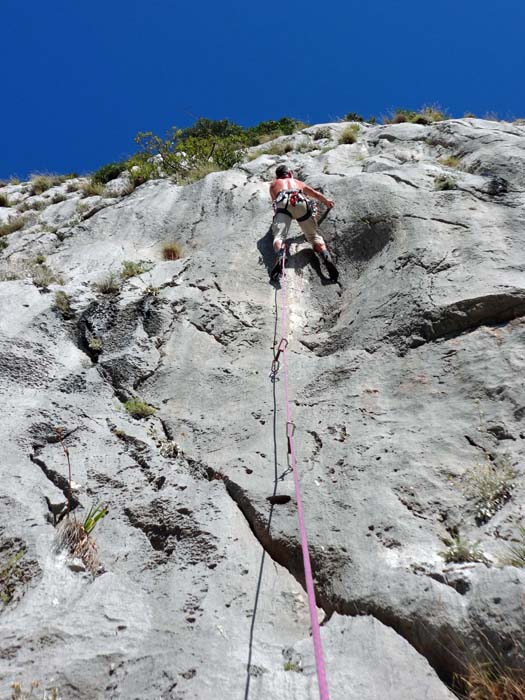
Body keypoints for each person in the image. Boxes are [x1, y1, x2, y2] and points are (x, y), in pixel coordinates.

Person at [269, 164, 338, 281]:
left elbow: (275, 204)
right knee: (313, 236)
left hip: (283, 204)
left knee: (279, 237)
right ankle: (324, 254)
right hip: (300, 200)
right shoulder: (297, 181)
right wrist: (326, 201)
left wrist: (279, 219)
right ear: (289, 174)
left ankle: (281, 254)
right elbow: (314, 194)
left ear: (277, 177)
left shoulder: (274, 184)